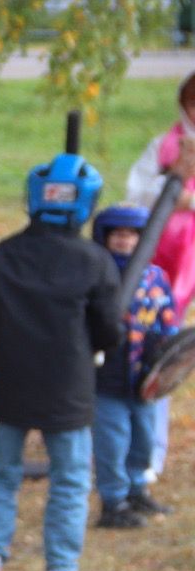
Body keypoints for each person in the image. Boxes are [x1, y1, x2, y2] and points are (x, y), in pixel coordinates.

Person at [0, 153, 121, 571]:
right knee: (71, 477)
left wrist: (0, 363)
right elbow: (109, 328)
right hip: (68, 388)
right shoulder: (94, 260)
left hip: (12, 383)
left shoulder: (7, 252)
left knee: (3, 473)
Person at [123, 70, 195, 481]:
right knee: (161, 353)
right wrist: (174, 192)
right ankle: (148, 456)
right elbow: (137, 194)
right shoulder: (165, 147)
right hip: (167, 264)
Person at [89, 204, 179, 530]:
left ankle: (137, 489)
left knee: (143, 437)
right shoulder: (96, 277)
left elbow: (168, 323)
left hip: (145, 379)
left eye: (131, 236)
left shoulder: (156, 278)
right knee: (113, 442)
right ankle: (114, 501)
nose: (125, 241)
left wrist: (167, 361)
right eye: (118, 235)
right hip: (106, 380)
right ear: (104, 237)